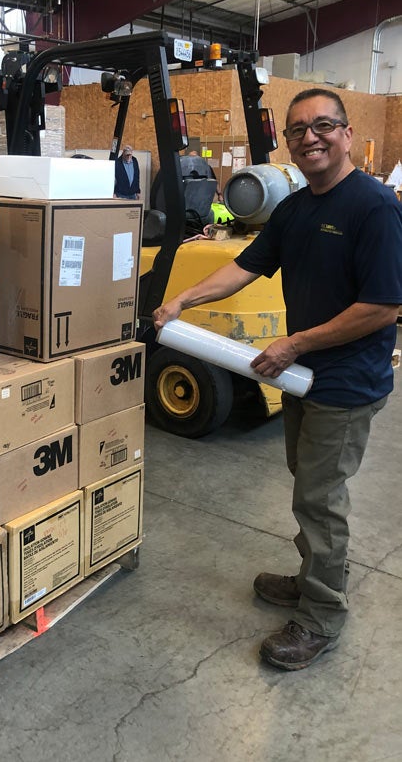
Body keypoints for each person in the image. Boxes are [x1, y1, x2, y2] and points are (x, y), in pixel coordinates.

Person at [153, 87, 402, 671]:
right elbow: (243, 267)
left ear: (345, 133)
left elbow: (383, 307)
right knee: (306, 483)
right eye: (297, 130)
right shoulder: (294, 208)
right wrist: (181, 300)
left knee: (320, 499)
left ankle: (321, 616)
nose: (310, 137)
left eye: (322, 126)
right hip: (302, 377)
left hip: (346, 382)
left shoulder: (374, 207)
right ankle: (312, 575)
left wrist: (293, 343)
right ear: (288, 144)